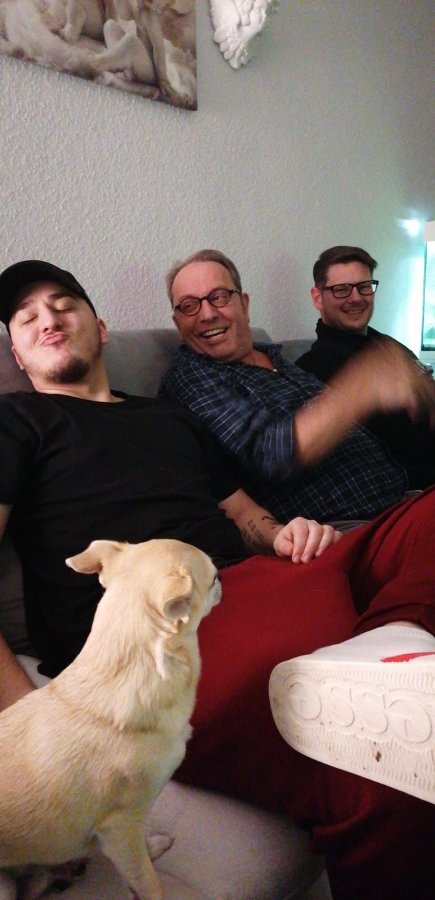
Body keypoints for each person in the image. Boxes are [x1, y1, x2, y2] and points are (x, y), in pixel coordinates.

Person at [1, 260, 435, 900]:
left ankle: (393, 647)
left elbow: (242, 513)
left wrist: (282, 533)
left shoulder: (167, 417)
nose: (49, 320)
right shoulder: (14, 421)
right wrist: (29, 727)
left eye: (64, 305)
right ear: (16, 351)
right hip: (165, 630)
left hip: (261, 576)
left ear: (101, 327)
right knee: (388, 773)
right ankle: (386, 663)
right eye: (27, 317)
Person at [161, 248, 435, 526]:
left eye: (219, 297)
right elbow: (269, 453)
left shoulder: (277, 358)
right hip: (347, 525)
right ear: (177, 322)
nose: (207, 314)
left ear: (244, 304)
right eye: (189, 305)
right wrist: (362, 387)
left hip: (402, 500)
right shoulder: (192, 376)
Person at [295, 245, 435, 488]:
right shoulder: (312, 368)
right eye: (341, 289)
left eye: (364, 286)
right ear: (317, 297)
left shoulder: (387, 343)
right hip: (413, 487)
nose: (356, 298)